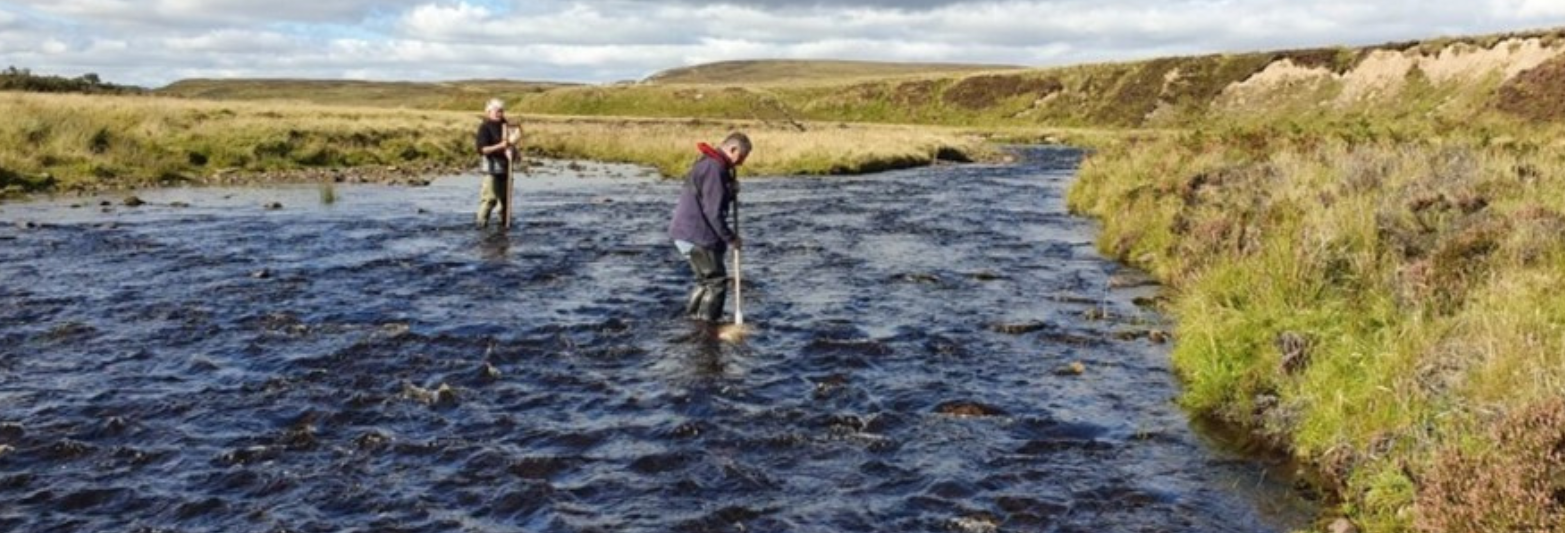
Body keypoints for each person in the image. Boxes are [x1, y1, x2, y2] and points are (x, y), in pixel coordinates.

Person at [668, 132, 751, 322]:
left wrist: (730, 190)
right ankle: (708, 328)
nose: (741, 163)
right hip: (698, 234)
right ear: (733, 149)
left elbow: (710, 196)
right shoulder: (715, 168)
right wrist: (731, 238)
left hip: (685, 233)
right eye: (742, 156)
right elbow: (713, 212)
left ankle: (693, 321)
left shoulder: (708, 163)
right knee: (716, 282)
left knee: (705, 281)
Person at [474, 98, 517, 228]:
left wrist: (513, 151)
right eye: (497, 111)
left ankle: (504, 227)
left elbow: (511, 143)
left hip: (506, 168)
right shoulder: (485, 127)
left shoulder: (505, 125)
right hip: (491, 169)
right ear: (489, 112)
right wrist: (500, 146)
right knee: (489, 199)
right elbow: (482, 149)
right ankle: (481, 226)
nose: (500, 113)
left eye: (502, 111)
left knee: (505, 202)